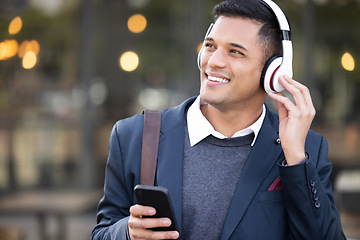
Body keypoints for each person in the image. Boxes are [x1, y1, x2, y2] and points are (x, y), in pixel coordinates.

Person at [91, 0, 346, 239]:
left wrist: (295, 161)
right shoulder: (133, 136)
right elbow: (102, 232)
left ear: (273, 71)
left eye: (235, 52)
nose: (213, 61)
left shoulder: (306, 149)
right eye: (210, 46)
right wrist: (127, 231)